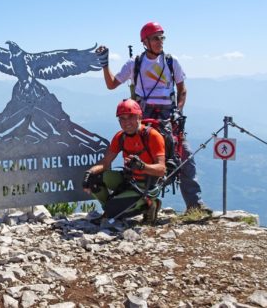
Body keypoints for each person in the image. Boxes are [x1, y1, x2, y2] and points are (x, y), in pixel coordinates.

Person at [97, 22, 209, 212]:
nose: (160, 42)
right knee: (143, 156)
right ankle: (142, 203)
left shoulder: (172, 61)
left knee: (185, 157)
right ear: (145, 41)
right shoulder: (135, 63)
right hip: (144, 115)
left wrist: (178, 110)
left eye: (161, 37)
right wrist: (105, 64)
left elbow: (182, 89)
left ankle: (194, 206)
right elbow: (111, 84)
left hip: (168, 115)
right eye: (156, 38)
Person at [82, 99, 166, 224]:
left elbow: (161, 170)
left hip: (146, 185)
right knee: (95, 178)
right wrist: (89, 173)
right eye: (122, 118)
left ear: (139, 117)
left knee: (115, 210)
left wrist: (142, 166)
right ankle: (108, 212)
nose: (126, 122)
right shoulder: (120, 137)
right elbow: (105, 163)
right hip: (129, 180)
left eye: (131, 117)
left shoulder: (152, 136)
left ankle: (150, 204)